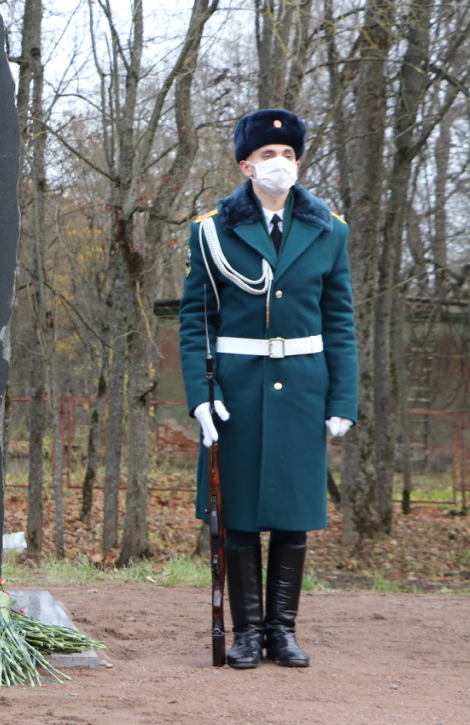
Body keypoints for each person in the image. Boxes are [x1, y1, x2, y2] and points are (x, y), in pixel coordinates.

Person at [178, 108, 357, 669]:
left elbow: (340, 321)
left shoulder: (330, 229)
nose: (280, 162)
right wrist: (200, 396)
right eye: (267, 155)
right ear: (245, 165)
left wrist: (343, 399)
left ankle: (283, 631)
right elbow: (196, 321)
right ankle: (247, 633)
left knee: (292, 512)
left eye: (288, 154)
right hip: (237, 389)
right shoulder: (212, 231)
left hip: (304, 387)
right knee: (237, 514)